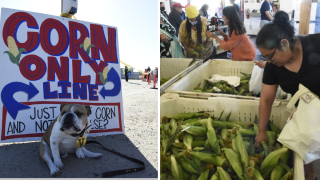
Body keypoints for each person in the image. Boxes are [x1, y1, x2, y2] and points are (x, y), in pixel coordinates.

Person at [254, 11, 319, 180]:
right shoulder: (273, 67)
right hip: (305, 111)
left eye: (270, 56)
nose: (268, 61)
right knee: (305, 145)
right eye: (265, 57)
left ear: (284, 44)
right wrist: (261, 131)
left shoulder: (316, 45)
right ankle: (310, 175)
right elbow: (267, 99)